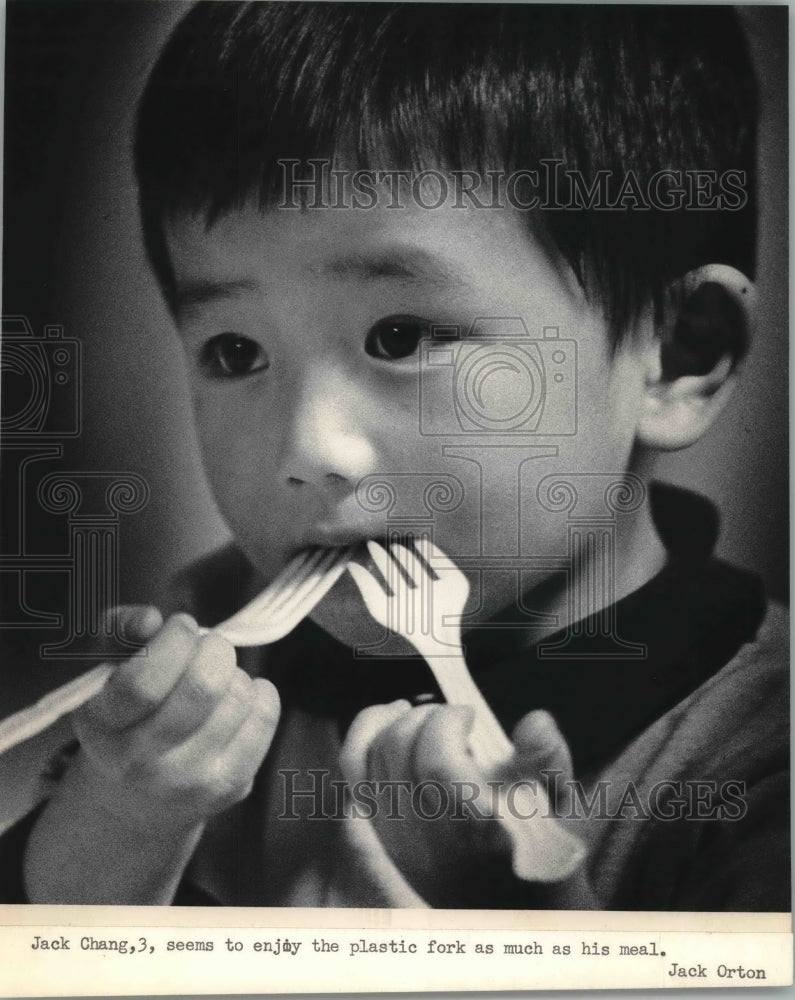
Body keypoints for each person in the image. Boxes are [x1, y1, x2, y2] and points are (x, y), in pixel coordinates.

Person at [6, 3, 788, 909]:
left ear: (677, 354)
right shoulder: (220, 644)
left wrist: (501, 910)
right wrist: (120, 820)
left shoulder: (758, 756)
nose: (306, 448)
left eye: (401, 334)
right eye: (234, 352)